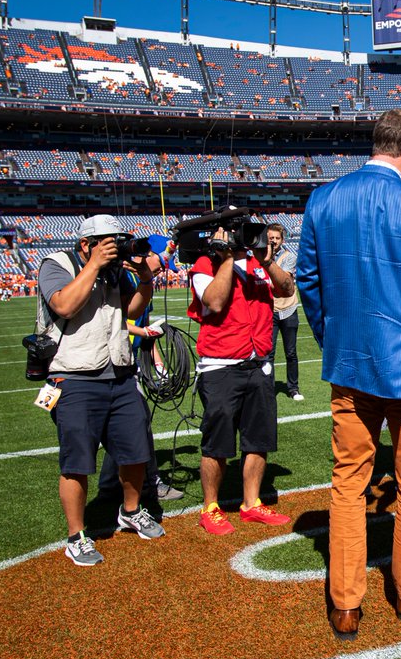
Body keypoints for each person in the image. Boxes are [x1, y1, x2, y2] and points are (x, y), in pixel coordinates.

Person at [297, 108, 401, 640]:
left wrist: (333, 338)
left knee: (348, 483)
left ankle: (345, 604)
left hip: (350, 364)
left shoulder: (323, 200)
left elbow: (308, 282)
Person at [36, 214, 165, 567]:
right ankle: (76, 535)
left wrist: (144, 280)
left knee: (136, 450)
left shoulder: (114, 271)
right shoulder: (57, 264)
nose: (116, 246)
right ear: (85, 244)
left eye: (118, 240)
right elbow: (63, 305)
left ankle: (131, 510)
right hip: (74, 375)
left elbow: (132, 310)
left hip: (120, 372)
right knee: (77, 460)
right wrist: (92, 265)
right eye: (108, 241)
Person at [188, 210, 294, 535]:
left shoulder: (258, 264)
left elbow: (287, 289)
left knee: (257, 439)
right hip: (221, 365)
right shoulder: (204, 264)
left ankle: (251, 503)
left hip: (258, 362)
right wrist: (227, 258)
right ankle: (211, 507)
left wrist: (267, 260)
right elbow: (215, 302)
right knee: (217, 442)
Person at [97, 235, 184, 504]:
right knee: (137, 423)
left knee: (126, 424)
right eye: (160, 263)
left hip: (130, 360)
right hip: (112, 362)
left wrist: (157, 363)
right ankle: (150, 482)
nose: (161, 271)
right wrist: (145, 331)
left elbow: (144, 330)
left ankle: (110, 482)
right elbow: (116, 321)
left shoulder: (145, 283)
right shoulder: (127, 279)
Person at [266, 223, 303, 402]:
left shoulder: (290, 257)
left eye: (277, 238)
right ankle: (268, 388)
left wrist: (268, 261)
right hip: (270, 310)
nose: (273, 241)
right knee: (269, 352)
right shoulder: (260, 257)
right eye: (270, 238)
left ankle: (293, 388)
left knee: (291, 352)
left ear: (283, 239)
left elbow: (280, 283)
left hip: (288, 309)